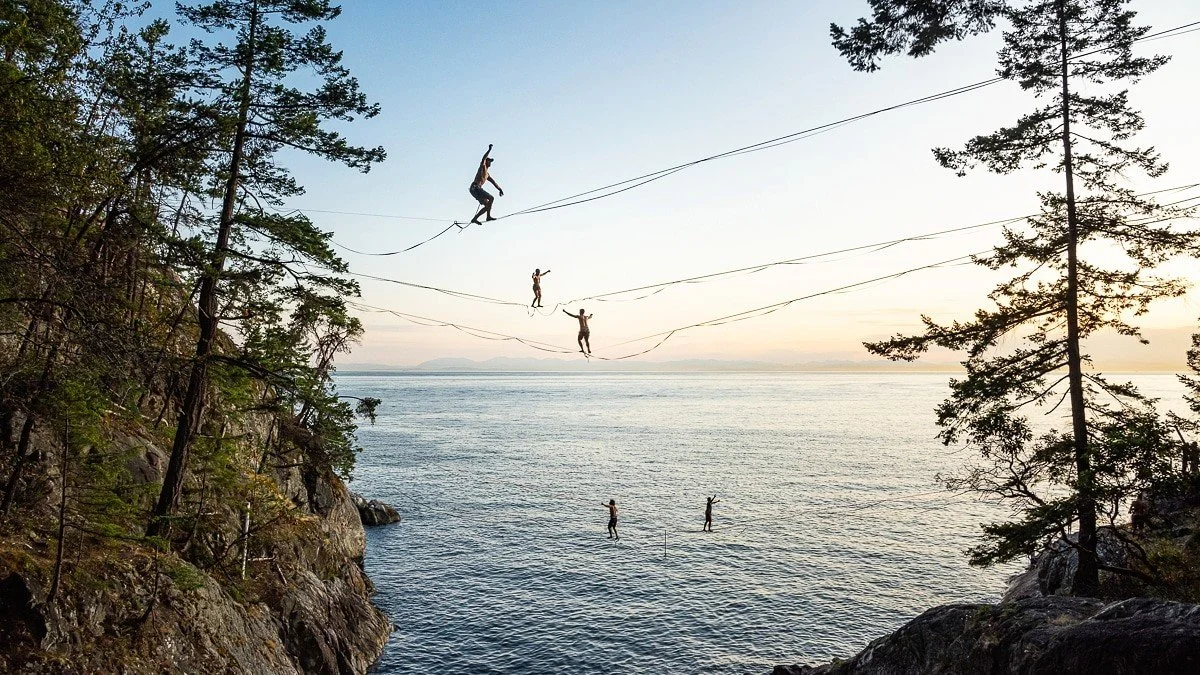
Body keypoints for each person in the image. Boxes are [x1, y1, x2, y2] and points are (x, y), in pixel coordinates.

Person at [469, 144, 504, 224]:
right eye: (489, 161)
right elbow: (484, 158)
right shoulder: (483, 166)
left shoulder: (487, 174)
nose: (490, 162)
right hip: (475, 188)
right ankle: (488, 217)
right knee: (491, 198)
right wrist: (489, 150)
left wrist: (500, 189)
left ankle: (475, 219)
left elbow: (494, 182)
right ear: (486, 161)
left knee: (488, 205)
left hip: (476, 190)